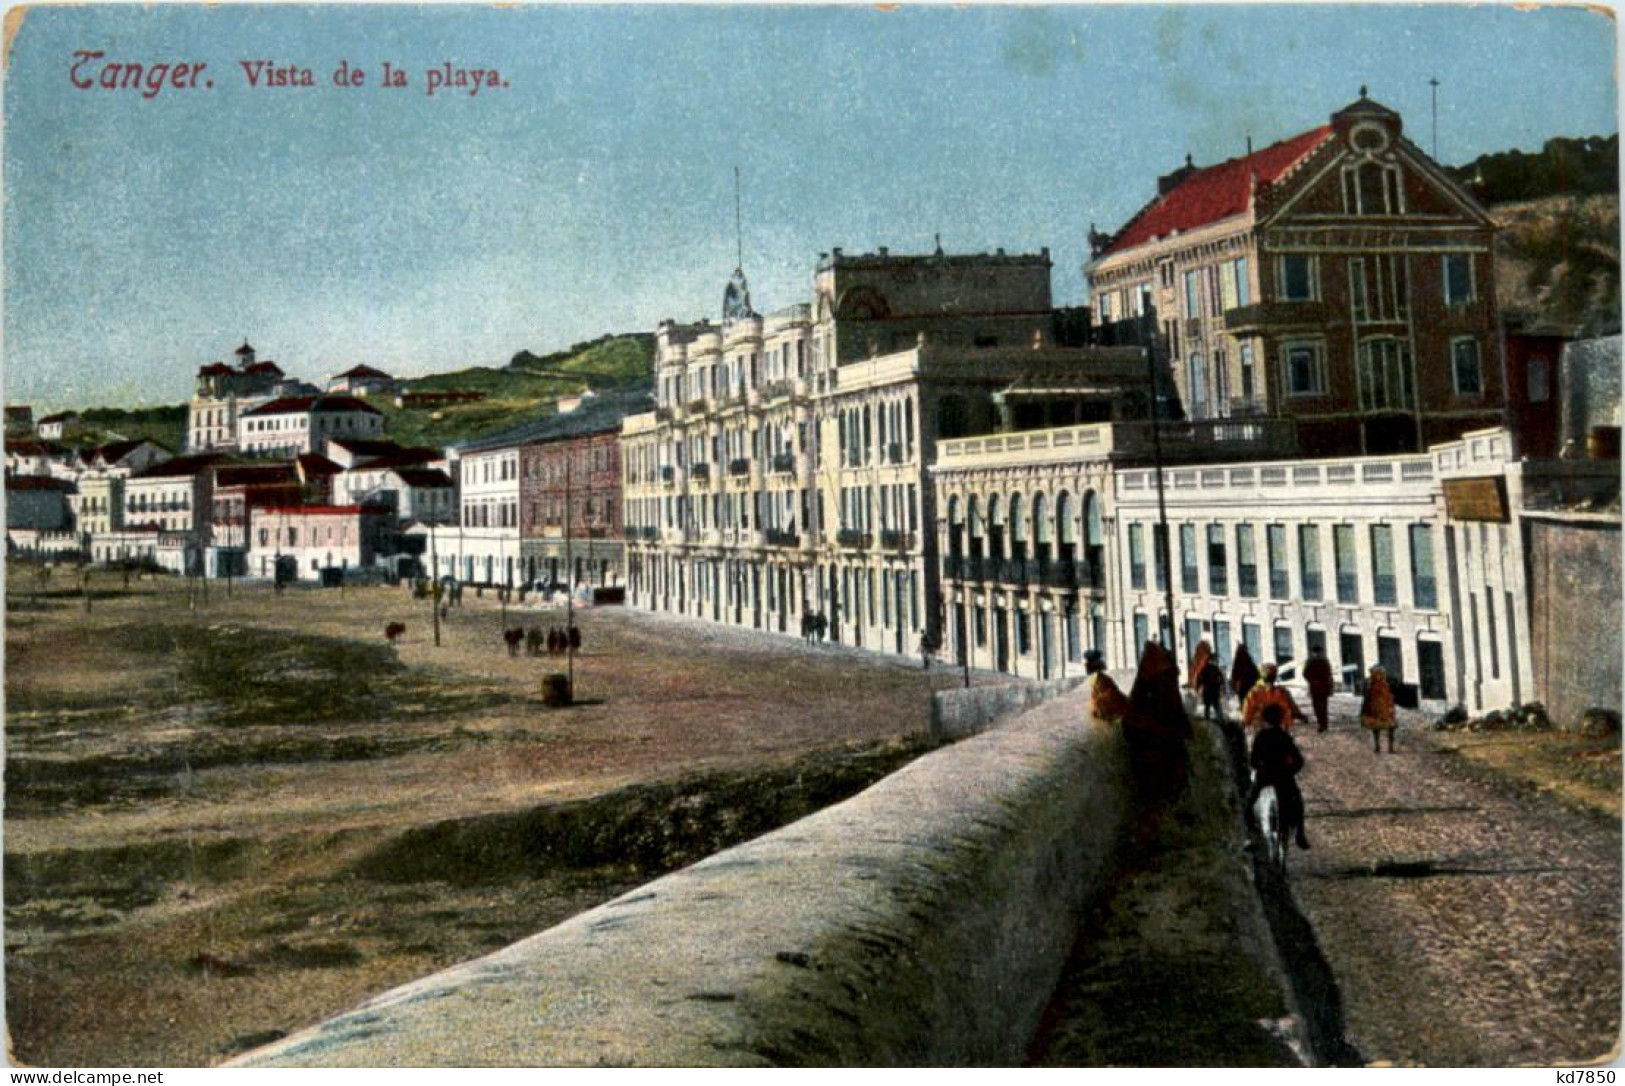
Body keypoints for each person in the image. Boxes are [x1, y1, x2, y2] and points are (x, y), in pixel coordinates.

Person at [1123, 640, 1193, 804]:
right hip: (1160, 742)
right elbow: (1174, 709)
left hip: (1147, 742)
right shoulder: (1163, 680)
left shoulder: (1148, 681)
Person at [1247, 703, 1309, 850]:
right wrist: (1290, 770)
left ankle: (1251, 836)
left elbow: (1253, 761)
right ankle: (1300, 834)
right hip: (1283, 777)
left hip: (1265, 776)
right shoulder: (1284, 736)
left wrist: (1261, 767)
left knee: (1249, 803)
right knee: (1297, 802)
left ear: (1264, 719)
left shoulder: (1260, 736)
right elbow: (1298, 760)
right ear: (1280, 719)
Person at [1242, 662, 1308, 731]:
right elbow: (1293, 708)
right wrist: (1301, 716)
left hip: (1262, 729)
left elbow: (1247, 711)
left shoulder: (1254, 692)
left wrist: (1245, 722)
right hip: (1280, 729)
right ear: (1275, 676)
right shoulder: (1282, 692)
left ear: (1262, 677)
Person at [1084, 649, 1129, 724]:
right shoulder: (1098, 678)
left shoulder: (1100, 679)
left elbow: (1110, 695)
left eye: (1088, 664)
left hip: (1114, 713)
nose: (1086, 666)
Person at [1362, 665, 1397, 753]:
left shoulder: (1373, 687)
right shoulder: (1384, 686)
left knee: (1378, 730)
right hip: (1382, 713)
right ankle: (1389, 747)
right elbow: (1390, 699)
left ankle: (1380, 747)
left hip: (1380, 713)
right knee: (1388, 729)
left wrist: (1364, 711)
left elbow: (1367, 701)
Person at [1303, 646, 1335, 733]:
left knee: (1317, 707)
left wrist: (1312, 681)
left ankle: (1321, 724)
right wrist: (1330, 687)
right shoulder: (1324, 661)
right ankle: (1324, 725)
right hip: (1322, 687)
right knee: (1323, 707)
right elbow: (1329, 675)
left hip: (1316, 687)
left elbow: (1305, 674)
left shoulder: (1310, 661)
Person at [1197, 655, 1227, 722]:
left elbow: (1199, 679)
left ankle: (1208, 720)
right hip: (1214, 690)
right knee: (1216, 706)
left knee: (1208, 707)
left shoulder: (1204, 669)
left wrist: (1198, 687)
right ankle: (1220, 720)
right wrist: (1221, 685)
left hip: (1208, 690)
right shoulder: (1214, 668)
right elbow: (1221, 677)